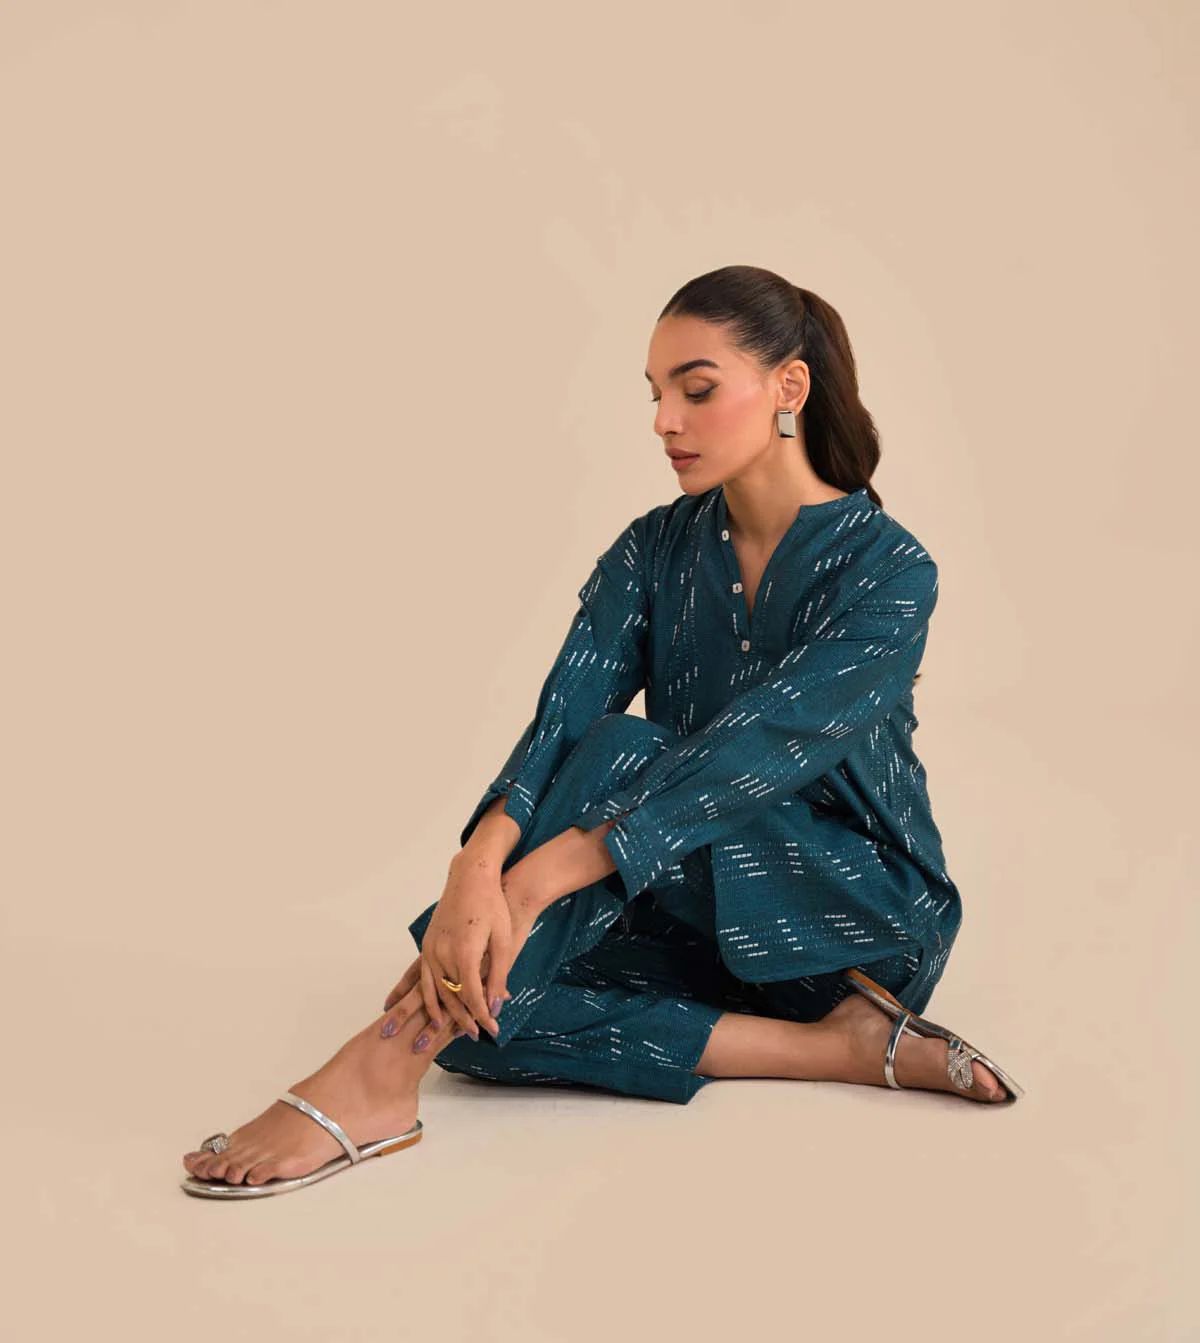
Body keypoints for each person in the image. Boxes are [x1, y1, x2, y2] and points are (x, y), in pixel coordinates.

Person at [181, 265, 1021, 1197]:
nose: (665, 420)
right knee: (488, 1022)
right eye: (656, 393)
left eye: (696, 390)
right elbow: (564, 716)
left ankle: (382, 1062)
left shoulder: (890, 570)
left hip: (856, 924)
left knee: (620, 765)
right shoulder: (653, 548)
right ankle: (840, 1051)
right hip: (689, 909)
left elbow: (751, 752)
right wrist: (477, 862)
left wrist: (532, 879)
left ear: (789, 386)